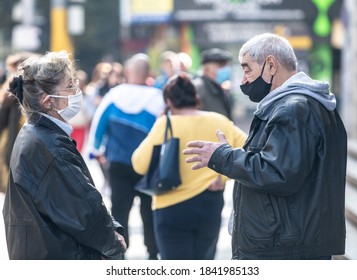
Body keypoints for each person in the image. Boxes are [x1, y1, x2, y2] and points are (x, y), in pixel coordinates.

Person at [183, 33, 347, 260]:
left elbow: (277, 172)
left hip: (283, 248)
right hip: (290, 242)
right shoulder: (297, 105)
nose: (243, 80)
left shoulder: (293, 109)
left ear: (271, 65)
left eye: (247, 69)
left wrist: (222, 156)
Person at [2, 51, 126, 259]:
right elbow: (84, 212)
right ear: (47, 101)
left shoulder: (38, 134)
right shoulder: (50, 146)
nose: (76, 91)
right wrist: (113, 241)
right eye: (69, 86)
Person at [132, 74, 247, 260]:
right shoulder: (219, 121)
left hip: (171, 205)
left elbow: (139, 164)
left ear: (168, 101)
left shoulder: (165, 124)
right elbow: (250, 150)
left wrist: (160, 124)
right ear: (196, 96)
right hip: (210, 202)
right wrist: (224, 177)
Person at [88, 53, 163, 260]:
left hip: (118, 163)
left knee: (120, 210)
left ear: (128, 72)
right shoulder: (157, 99)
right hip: (148, 166)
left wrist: (96, 151)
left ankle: (120, 253)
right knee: (149, 211)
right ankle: (153, 252)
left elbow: (98, 126)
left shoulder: (114, 95)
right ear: (148, 74)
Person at [0, 51, 34, 193]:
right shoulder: (10, 87)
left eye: (16, 67)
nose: (12, 71)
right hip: (12, 133)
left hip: (24, 135)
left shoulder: (30, 87)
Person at [192, 48, 233, 120]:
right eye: (220, 66)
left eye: (226, 65)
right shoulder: (198, 87)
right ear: (206, 68)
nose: (225, 69)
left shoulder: (220, 87)